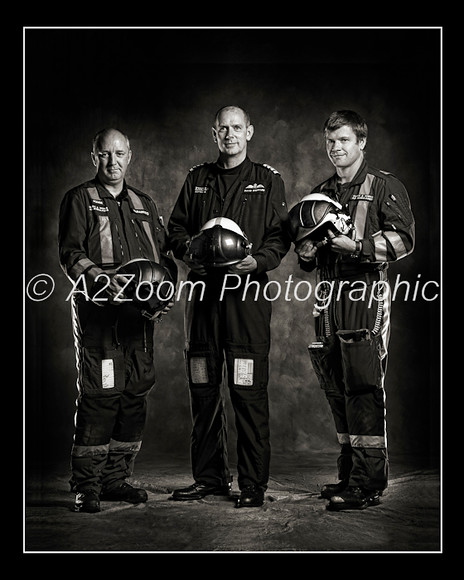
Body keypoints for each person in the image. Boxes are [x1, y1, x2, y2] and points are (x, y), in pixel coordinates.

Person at [168, 106, 290, 508]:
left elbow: (278, 237)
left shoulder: (267, 180)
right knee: (203, 390)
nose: (230, 134)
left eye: (237, 127)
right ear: (214, 132)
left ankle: (253, 484)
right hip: (202, 303)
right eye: (223, 127)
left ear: (250, 131)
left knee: (247, 393)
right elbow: (176, 232)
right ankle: (209, 479)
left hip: (246, 302)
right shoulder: (197, 178)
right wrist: (193, 251)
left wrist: (257, 261)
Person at [292, 110, 415, 511]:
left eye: (344, 140)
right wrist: (307, 252)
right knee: (338, 388)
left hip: (365, 298)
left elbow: (403, 240)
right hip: (327, 303)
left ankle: (368, 483)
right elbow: (309, 253)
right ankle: (349, 474)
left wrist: (359, 247)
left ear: (361, 142)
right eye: (330, 141)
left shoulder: (383, 186)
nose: (336, 148)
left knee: (363, 387)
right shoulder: (321, 192)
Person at [58, 128, 177, 513]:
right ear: (95, 157)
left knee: (134, 394)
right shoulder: (79, 199)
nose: (113, 161)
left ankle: (116, 479)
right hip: (100, 318)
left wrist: (167, 290)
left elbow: (165, 257)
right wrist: (99, 277)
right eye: (105, 154)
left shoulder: (145, 203)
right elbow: (70, 253)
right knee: (99, 396)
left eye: (120, 153)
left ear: (130, 155)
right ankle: (87, 485)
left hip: (139, 321)